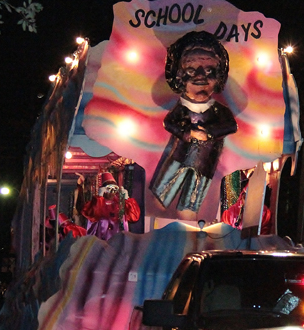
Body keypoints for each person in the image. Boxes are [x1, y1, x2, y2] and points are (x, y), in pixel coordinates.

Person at [150, 31, 238, 213]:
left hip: (205, 164)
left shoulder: (219, 111)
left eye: (209, 71)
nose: (201, 77)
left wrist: (209, 133)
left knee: (192, 199)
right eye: (191, 70)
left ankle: (187, 215)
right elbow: (169, 122)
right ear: (180, 76)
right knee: (163, 191)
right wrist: (187, 133)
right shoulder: (181, 108)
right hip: (178, 159)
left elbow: (230, 125)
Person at [77, 172, 140, 241]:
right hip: (100, 244)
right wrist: (99, 197)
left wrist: (127, 199)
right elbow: (92, 214)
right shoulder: (95, 203)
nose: (112, 191)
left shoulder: (120, 204)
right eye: (108, 188)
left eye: (114, 188)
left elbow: (134, 217)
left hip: (118, 244)